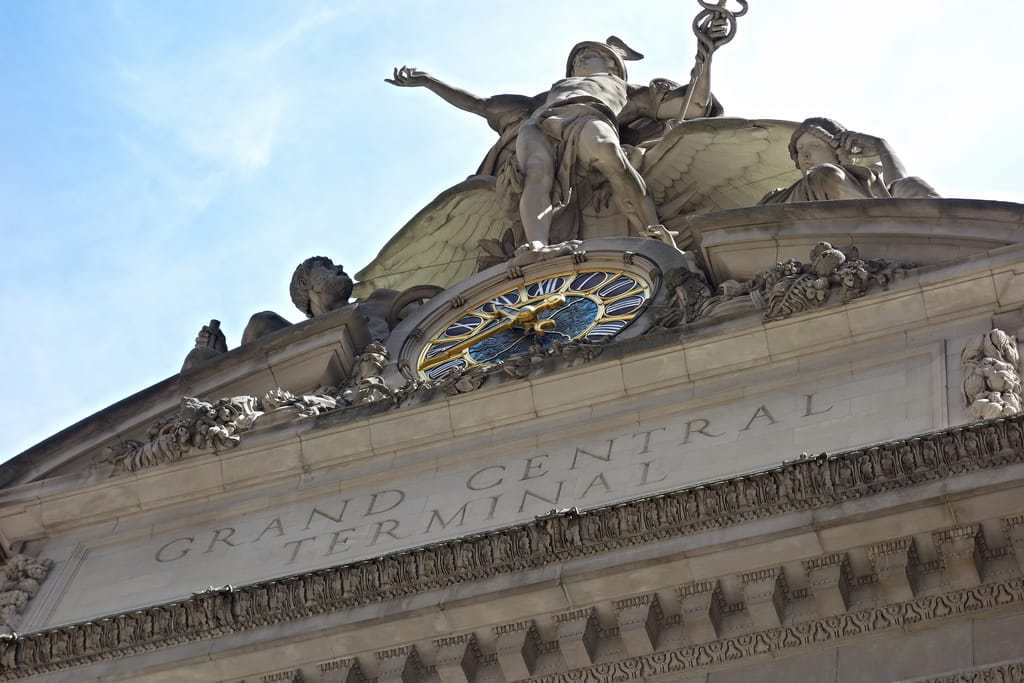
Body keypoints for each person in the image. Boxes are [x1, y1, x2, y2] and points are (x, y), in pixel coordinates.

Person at [389, 33, 725, 257]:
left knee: (611, 157)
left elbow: (693, 105)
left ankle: (652, 230)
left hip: (591, 117)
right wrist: (429, 82)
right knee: (536, 174)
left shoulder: (629, 91)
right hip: (540, 124)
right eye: (577, 57)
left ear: (612, 65)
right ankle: (536, 244)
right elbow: (481, 104)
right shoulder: (549, 94)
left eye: (589, 54)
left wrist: (705, 55)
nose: (580, 58)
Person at [760, 117, 938, 204]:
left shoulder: (862, 182)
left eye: (814, 145)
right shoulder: (778, 197)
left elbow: (901, 190)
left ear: (838, 152)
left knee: (913, 184)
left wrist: (882, 147)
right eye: (799, 150)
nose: (804, 155)